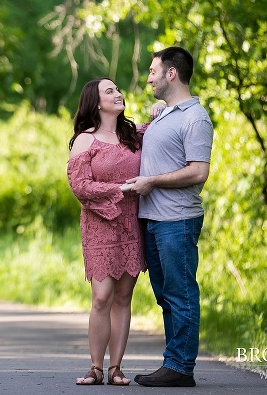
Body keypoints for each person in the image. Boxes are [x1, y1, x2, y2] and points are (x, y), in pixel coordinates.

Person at [126, 46, 214, 388]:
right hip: (154, 220)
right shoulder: (167, 113)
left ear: (171, 73)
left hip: (177, 221)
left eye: (152, 71)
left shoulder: (196, 117)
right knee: (166, 295)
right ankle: (173, 362)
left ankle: (180, 366)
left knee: (181, 294)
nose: (149, 77)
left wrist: (152, 182)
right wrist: (158, 112)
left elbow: (199, 172)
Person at [66, 77, 146, 386]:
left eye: (117, 89)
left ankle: (116, 369)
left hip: (131, 223)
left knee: (124, 297)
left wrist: (158, 110)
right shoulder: (85, 140)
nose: (118, 94)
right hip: (99, 225)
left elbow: (163, 129)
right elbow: (80, 186)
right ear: (96, 102)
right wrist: (121, 188)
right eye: (109, 91)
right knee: (102, 297)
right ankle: (95, 367)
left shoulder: (134, 134)